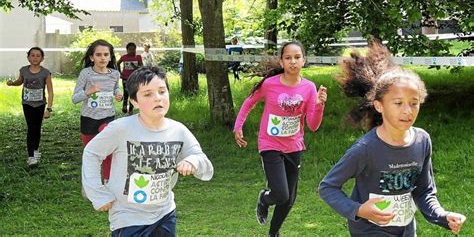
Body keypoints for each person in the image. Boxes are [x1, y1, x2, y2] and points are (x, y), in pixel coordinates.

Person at [318, 42, 466, 236]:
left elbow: (423, 191)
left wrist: (441, 215)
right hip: (370, 231)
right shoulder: (366, 148)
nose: (407, 110)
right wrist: (359, 210)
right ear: (379, 106)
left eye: (414, 103)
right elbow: (328, 187)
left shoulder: (422, 140)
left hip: (406, 230)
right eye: (398, 103)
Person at [82, 66, 214, 236]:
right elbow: (92, 153)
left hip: (165, 213)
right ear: (134, 101)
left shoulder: (178, 130)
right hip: (128, 217)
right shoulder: (121, 129)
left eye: (162, 91)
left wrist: (192, 161)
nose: (157, 98)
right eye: (147, 94)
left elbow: (202, 161)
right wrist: (98, 194)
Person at [233, 41, 327, 237]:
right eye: (288, 58)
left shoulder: (309, 88)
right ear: (281, 62)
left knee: (289, 199)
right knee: (281, 194)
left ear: (304, 60)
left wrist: (319, 105)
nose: (293, 61)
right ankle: (265, 199)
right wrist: (238, 126)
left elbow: (313, 125)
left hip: (294, 145)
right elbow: (249, 103)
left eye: (297, 57)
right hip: (270, 144)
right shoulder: (270, 84)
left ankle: (273, 233)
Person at [72, 39, 122, 183]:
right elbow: (75, 99)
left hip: (108, 118)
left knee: (108, 152)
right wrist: (89, 91)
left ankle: (107, 181)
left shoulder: (114, 74)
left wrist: (118, 93)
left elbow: (115, 88)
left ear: (111, 57)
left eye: (106, 54)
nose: (103, 58)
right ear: (91, 57)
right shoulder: (86, 74)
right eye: (99, 54)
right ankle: (90, 184)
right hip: (89, 119)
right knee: (90, 154)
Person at [7, 47, 54, 166]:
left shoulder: (45, 72)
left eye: (38, 55)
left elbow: (50, 91)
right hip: (27, 103)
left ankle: (36, 150)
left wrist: (49, 108)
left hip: (40, 104)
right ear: (28, 57)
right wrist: (12, 83)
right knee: (31, 128)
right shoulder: (24, 70)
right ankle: (31, 156)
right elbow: (20, 81)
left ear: (42, 58)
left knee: (37, 128)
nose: (35, 58)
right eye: (32, 55)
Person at [117, 42, 143, 115]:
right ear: (127, 50)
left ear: (135, 49)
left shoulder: (138, 57)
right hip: (125, 78)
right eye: (130, 49)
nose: (132, 51)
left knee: (132, 93)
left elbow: (142, 66)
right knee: (126, 93)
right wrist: (119, 72)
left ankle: (131, 108)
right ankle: (124, 107)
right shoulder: (124, 57)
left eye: (133, 49)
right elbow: (118, 63)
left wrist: (138, 68)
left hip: (135, 78)